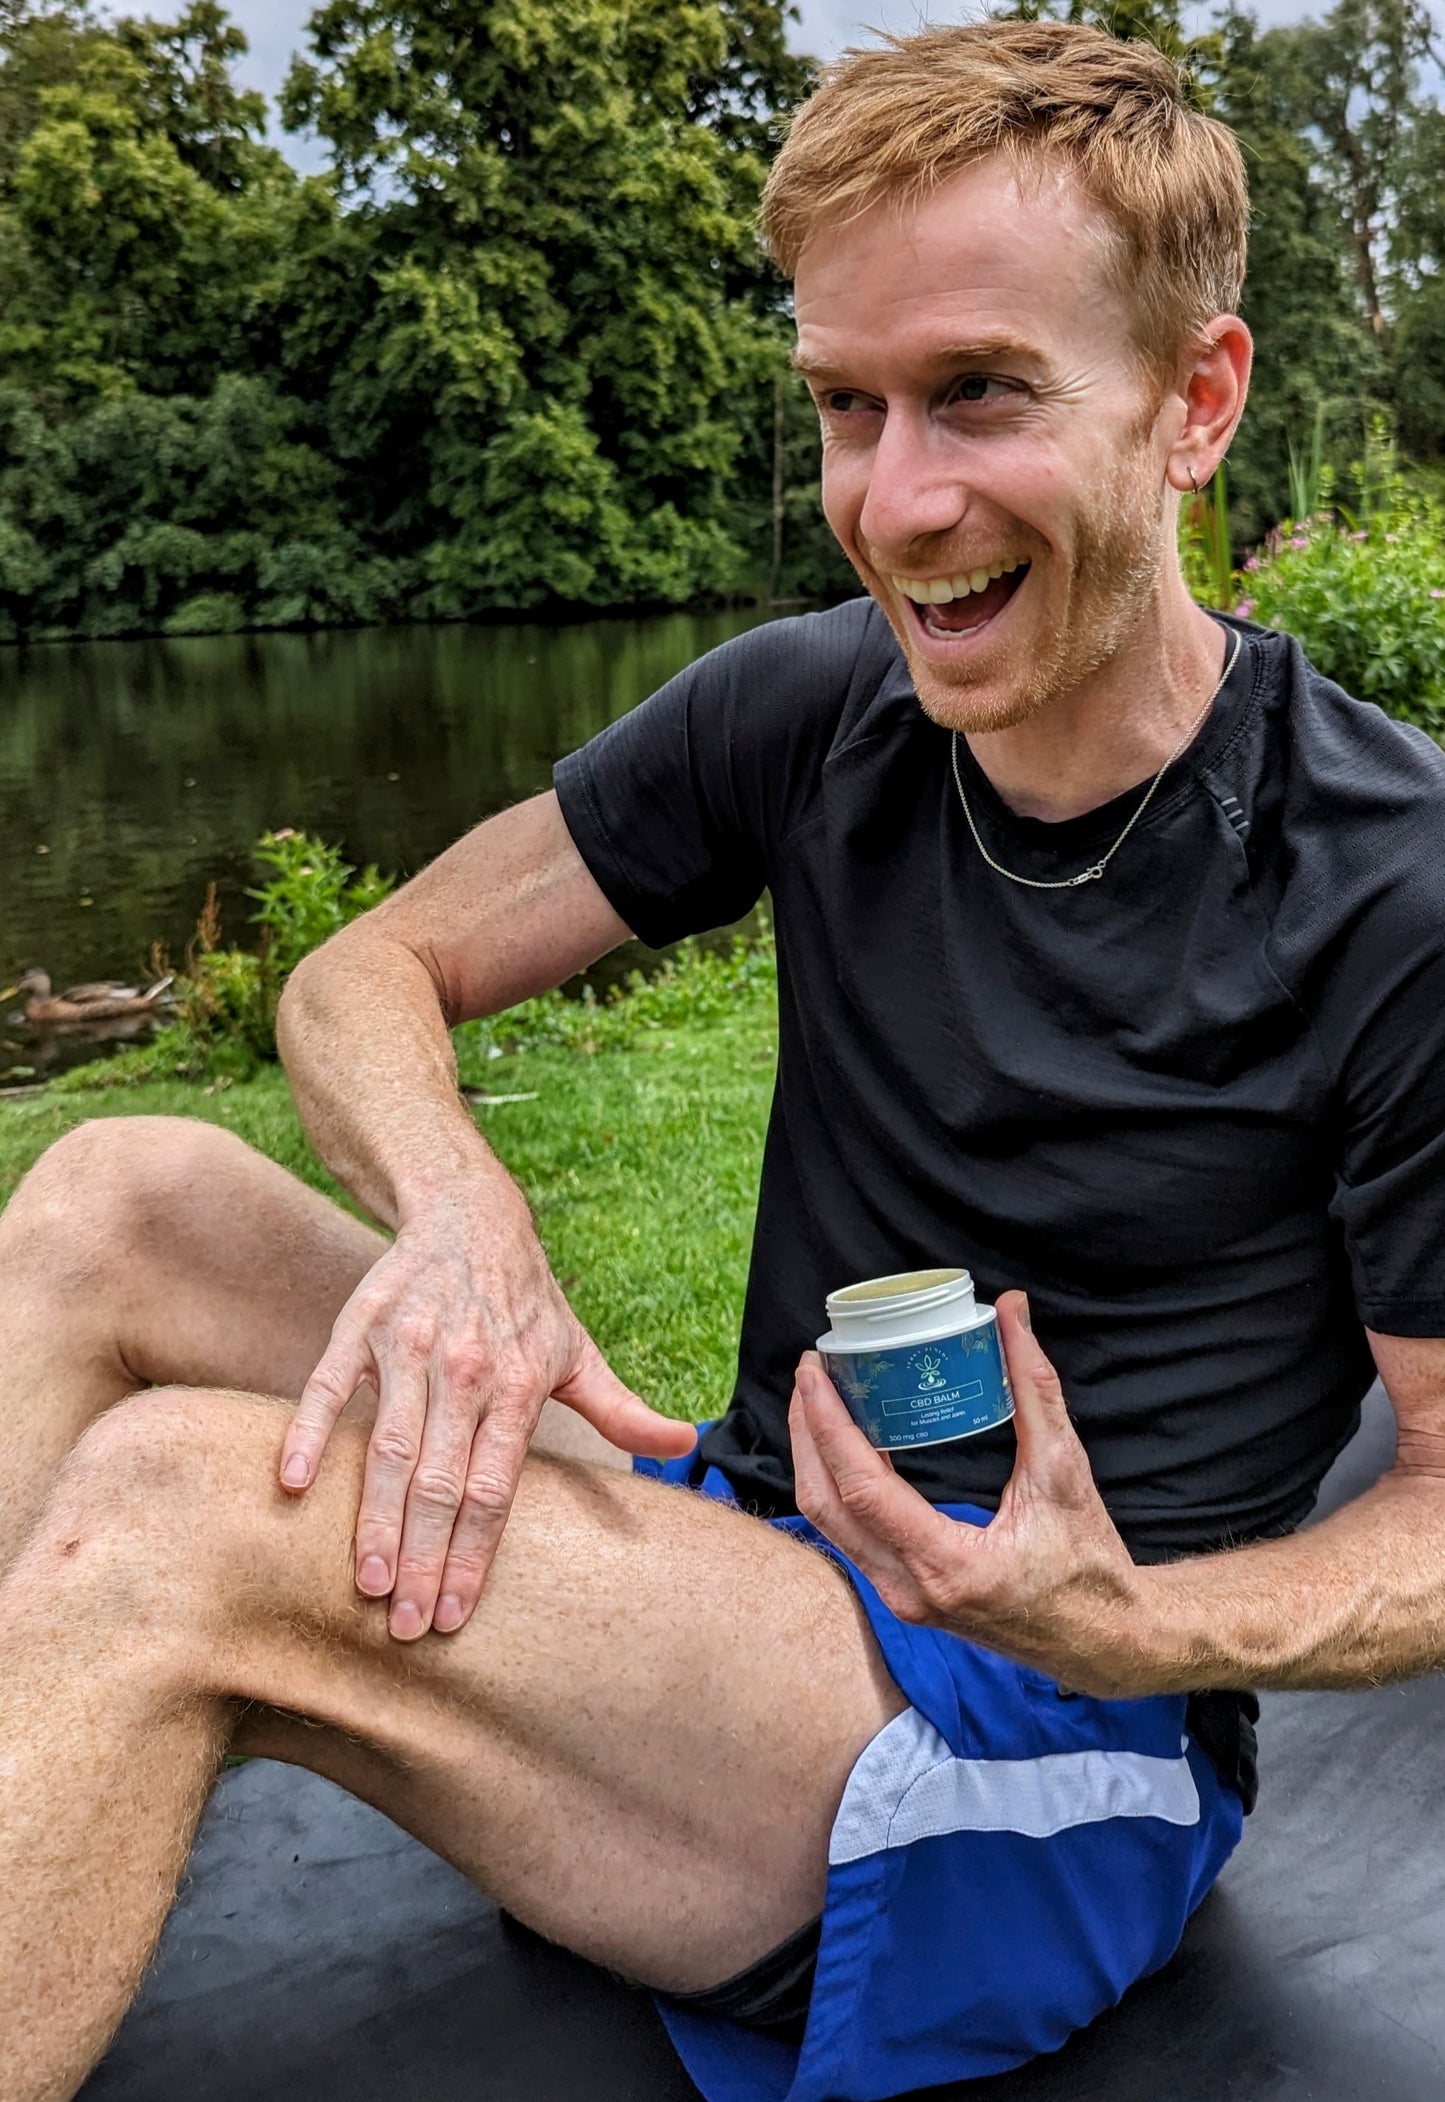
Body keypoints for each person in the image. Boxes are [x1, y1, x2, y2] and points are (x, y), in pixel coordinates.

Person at [5, 19, 1445, 2102]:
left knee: (170, 1514)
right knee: (111, 1195)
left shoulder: (1391, 878)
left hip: (1039, 1737)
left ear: (1194, 402)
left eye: (978, 394)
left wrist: (1130, 1623)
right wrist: (465, 1211)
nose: (897, 499)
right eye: (846, 407)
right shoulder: (812, 707)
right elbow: (360, 978)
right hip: (754, 1542)